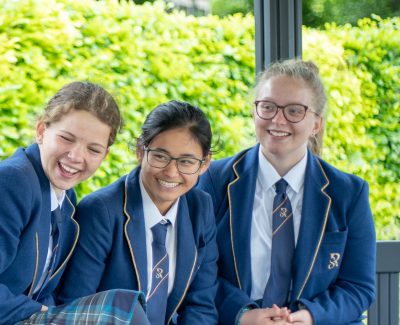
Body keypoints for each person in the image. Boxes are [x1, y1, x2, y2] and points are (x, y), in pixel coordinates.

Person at [197, 59, 376, 325]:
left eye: (294, 111)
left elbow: (357, 287)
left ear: (316, 123)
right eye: (267, 107)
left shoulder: (349, 193)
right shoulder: (213, 180)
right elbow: (198, 271)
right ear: (253, 112)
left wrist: (310, 317)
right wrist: (243, 314)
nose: (278, 119)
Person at [58, 100, 219, 324]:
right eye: (160, 156)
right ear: (140, 150)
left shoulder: (200, 207)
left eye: (186, 161)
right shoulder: (100, 211)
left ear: (205, 163)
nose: (171, 172)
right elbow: (77, 307)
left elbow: (201, 306)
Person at [0, 81, 146, 324]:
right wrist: (41, 312)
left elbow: (44, 288)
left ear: (105, 155)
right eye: (67, 138)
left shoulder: (65, 199)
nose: (76, 157)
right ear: (41, 130)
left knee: (126, 304)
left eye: (93, 149)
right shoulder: (13, 181)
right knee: (122, 314)